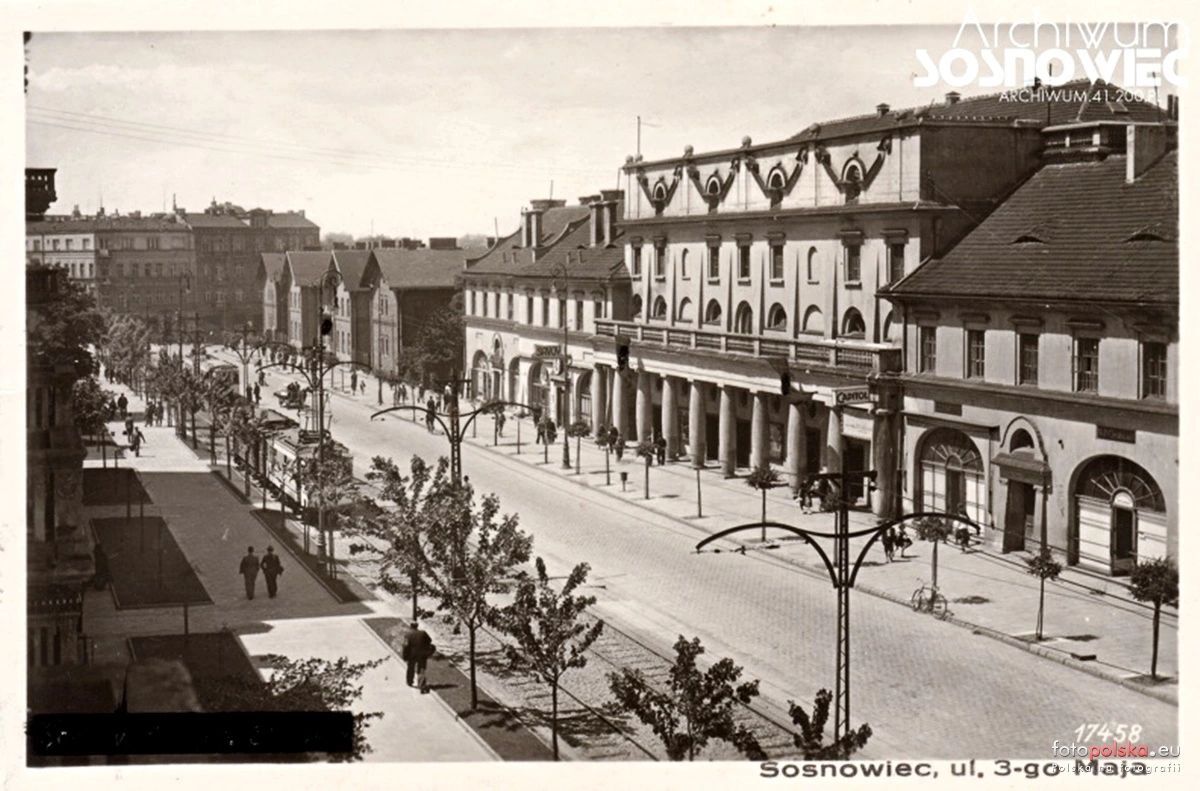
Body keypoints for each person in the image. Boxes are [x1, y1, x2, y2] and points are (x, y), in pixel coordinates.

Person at [401, 620, 435, 692]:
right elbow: (429, 640)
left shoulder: (408, 635)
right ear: (417, 626)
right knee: (421, 669)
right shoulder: (423, 633)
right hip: (422, 654)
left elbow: (405, 646)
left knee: (410, 668)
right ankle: (421, 684)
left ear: (411, 626)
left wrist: (405, 656)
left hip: (412, 655)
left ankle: (410, 681)